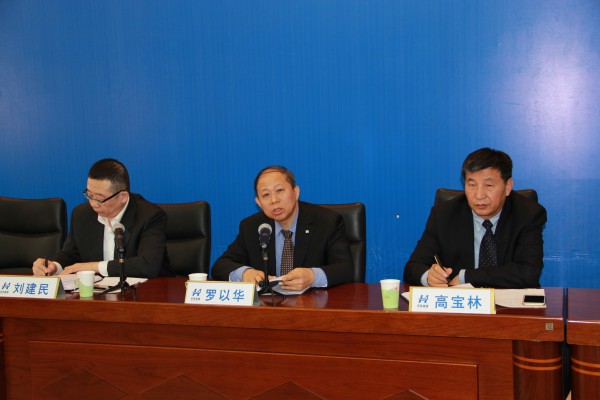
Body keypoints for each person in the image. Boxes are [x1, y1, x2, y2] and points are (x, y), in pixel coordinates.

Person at [403, 148, 547, 288]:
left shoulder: (528, 214)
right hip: (461, 303)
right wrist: (429, 276)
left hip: (511, 303)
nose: (479, 195)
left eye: (489, 185)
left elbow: (528, 272)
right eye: (472, 185)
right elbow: (412, 267)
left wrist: (466, 277)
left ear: (508, 186)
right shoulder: (444, 214)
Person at [211, 165, 353, 291]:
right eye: (266, 195)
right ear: (259, 203)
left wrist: (312, 276)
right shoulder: (251, 226)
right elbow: (220, 265)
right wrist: (245, 273)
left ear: (296, 192)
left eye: (279, 190)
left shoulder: (327, 221)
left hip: (314, 305)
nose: (274, 200)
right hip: (269, 306)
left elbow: (346, 268)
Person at [32, 158, 172, 278]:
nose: (93, 204)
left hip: (145, 293)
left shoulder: (150, 216)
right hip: (98, 293)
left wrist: (93, 267)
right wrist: (54, 265)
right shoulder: (81, 214)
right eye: (89, 195)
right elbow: (70, 254)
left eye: (99, 199)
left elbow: (147, 265)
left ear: (123, 197)